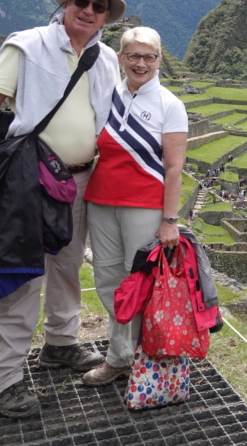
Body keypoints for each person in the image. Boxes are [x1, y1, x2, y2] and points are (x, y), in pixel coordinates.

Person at [0, 0, 125, 418]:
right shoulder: (27, 45)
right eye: (80, 1)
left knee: (68, 266)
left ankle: (61, 344)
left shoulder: (105, 59)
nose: (88, 10)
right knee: (23, 274)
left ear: (107, 17)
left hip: (82, 180)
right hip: (29, 179)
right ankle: (4, 379)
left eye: (98, 6)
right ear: (66, 3)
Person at [80, 26, 189, 386]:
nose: (140, 63)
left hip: (144, 205)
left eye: (148, 56)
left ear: (159, 59)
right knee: (108, 280)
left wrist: (170, 219)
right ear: (121, 58)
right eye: (133, 56)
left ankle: (145, 359)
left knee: (139, 283)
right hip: (101, 201)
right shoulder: (107, 96)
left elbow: (174, 168)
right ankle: (120, 356)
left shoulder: (169, 105)